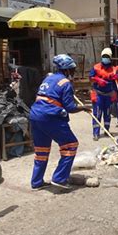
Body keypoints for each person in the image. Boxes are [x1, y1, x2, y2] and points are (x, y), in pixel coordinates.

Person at [29, 54, 90, 190]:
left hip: (35, 115)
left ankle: (36, 182)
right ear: (67, 70)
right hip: (50, 116)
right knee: (70, 145)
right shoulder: (65, 83)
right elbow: (70, 107)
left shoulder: (48, 78)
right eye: (73, 70)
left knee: (41, 150)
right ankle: (59, 178)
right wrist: (83, 108)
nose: (73, 73)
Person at [89, 48, 117, 141]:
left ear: (110, 58)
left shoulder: (113, 69)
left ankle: (106, 130)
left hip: (108, 95)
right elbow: (90, 77)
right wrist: (98, 80)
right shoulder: (96, 67)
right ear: (101, 57)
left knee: (107, 114)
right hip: (98, 94)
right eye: (104, 57)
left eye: (107, 57)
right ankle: (96, 133)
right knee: (97, 114)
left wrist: (116, 78)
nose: (105, 58)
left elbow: (117, 82)